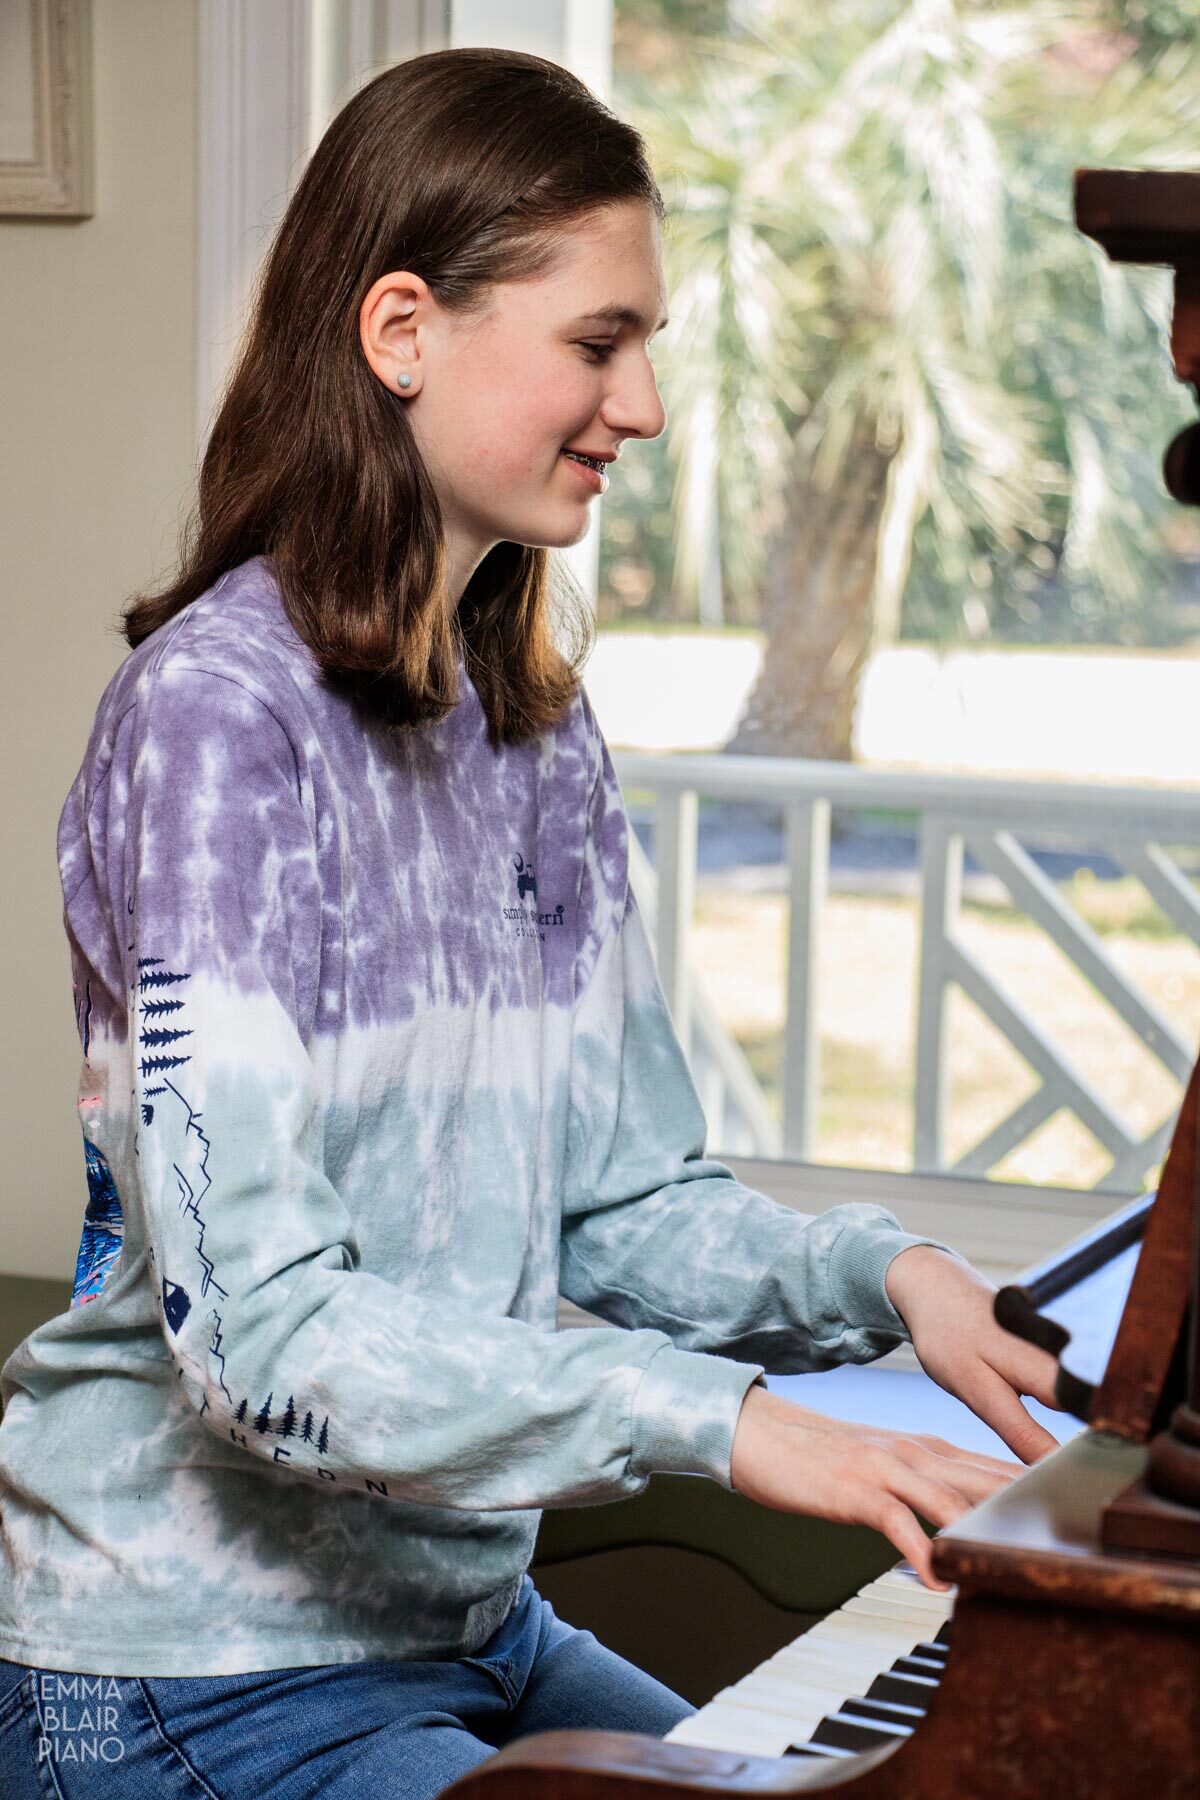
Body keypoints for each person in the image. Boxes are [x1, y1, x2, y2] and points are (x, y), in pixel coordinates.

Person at [0, 45, 1061, 1800]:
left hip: (468, 1628)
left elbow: (626, 1201)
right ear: (401, 328)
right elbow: (261, 1343)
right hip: (186, 1665)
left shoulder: (534, 728)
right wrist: (722, 1422)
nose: (642, 407)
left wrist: (888, 1276)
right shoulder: (216, 729)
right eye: (598, 341)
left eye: (646, 348)